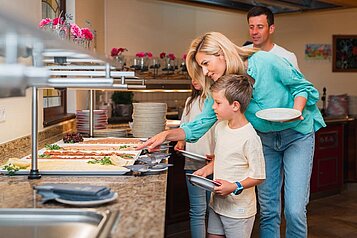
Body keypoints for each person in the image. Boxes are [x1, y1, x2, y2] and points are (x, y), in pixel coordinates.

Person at [138, 31, 326, 238]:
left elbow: (301, 86)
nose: (205, 71)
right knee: (269, 209)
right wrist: (165, 135)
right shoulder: (223, 87)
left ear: (221, 54)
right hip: (264, 139)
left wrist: (296, 111)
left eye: (206, 63)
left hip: (297, 134)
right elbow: (199, 125)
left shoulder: (264, 61)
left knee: (294, 210)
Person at [194, 74, 265, 238]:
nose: (213, 107)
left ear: (235, 105)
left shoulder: (250, 137)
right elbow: (221, 157)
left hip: (239, 211)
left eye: (218, 103)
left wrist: (233, 187)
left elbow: (259, 176)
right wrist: (206, 169)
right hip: (217, 204)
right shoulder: (220, 127)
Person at [174, 77, 216, 238]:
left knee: (213, 210)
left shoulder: (216, 101)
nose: (193, 80)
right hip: (192, 161)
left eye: (197, 76)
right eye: (191, 77)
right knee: (197, 210)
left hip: (213, 162)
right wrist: (180, 141)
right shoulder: (190, 101)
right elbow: (184, 127)